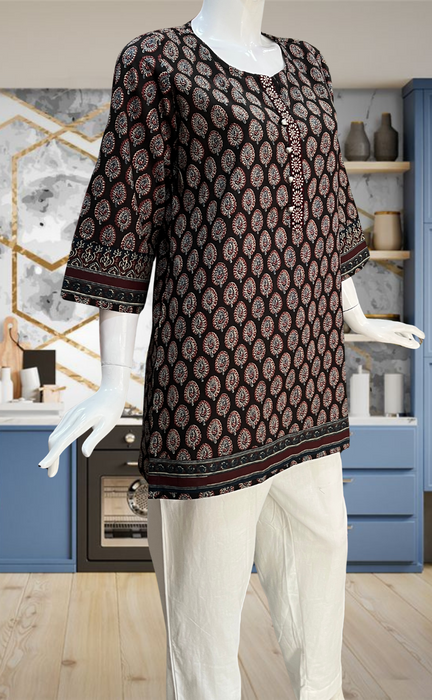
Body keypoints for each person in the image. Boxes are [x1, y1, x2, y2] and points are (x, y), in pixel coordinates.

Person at [39, 2, 424, 699]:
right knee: (205, 619)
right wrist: (112, 379)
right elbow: (125, 215)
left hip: (309, 372)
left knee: (319, 582)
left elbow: (328, 198)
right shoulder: (157, 60)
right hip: (211, 375)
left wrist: (354, 313)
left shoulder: (306, 63)